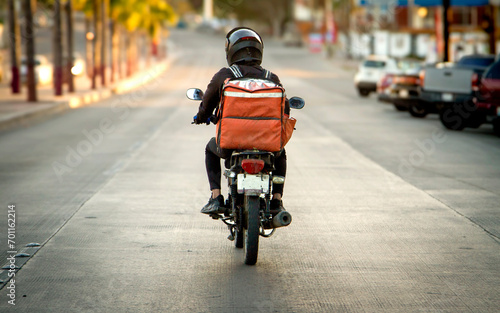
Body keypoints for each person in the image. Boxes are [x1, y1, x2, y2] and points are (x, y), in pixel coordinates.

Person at [193, 27, 290, 215]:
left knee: (210, 149)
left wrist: (201, 117)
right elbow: (284, 111)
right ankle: (277, 201)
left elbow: (207, 104)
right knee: (281, 153)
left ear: (231, 51)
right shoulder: (272, 78)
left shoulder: (224, 75)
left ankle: (215, 197)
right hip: (267, 144)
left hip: (231, 143)